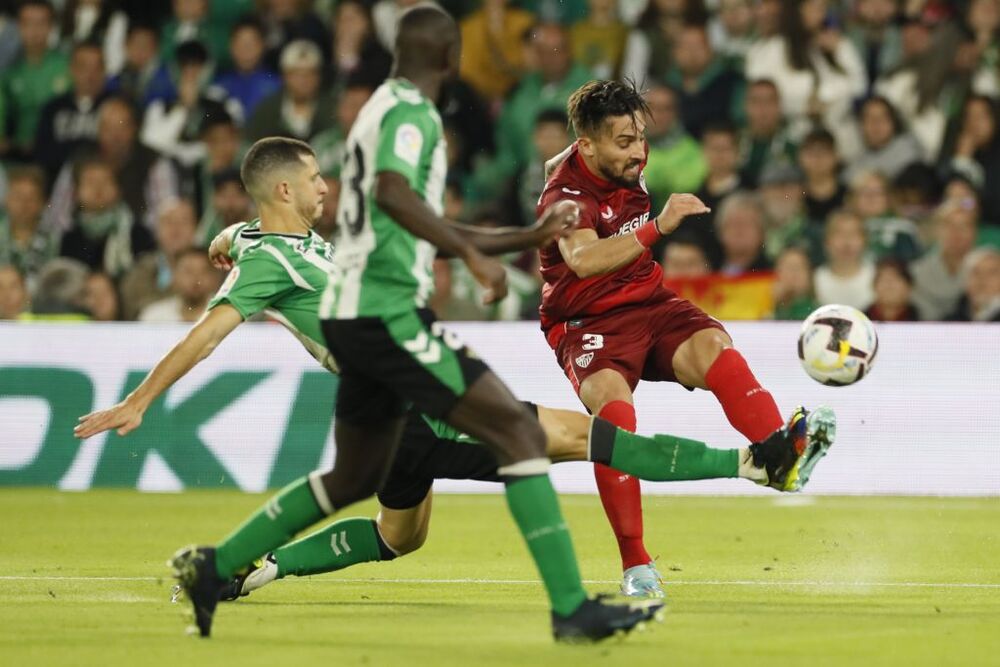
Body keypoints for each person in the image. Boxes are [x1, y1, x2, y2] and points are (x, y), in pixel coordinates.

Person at [76, 177, 830, 635]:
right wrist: (139, 399)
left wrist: (230, 237)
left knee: (400, 535)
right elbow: (210, 331)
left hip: (391, 406)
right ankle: (755, 463)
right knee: (582, 438)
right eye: (311, 178)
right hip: (416, 395)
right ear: (284, 191)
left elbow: (244, 239)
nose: (324, 187)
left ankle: (242, 569)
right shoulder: (273, 258)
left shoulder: (286, 245)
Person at [537, 79, 834, 598]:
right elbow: (582, 261)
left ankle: (779, 457)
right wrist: (659, 226)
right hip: (586, 324)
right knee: (614, 418)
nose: (637, 152)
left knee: (715, 349)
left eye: (640, 138)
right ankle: (636, 565)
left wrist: (602, 142)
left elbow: (557, 160)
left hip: (647, 302)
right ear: (588, 146)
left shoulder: (609, 154)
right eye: (624, 142)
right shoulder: (565, 198)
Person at [814, 210, 876, 310]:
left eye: (853, 234)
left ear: (865, 240)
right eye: (839, 234)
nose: (847, 242)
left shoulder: (876, 276)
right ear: (826, 241)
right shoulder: (814, 279)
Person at [865, 257, 921, 321]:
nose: (889, 285)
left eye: (896, 278)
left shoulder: (925, 322)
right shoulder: (859, 323)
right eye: (883, 278)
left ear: (909, 286)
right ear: (873, 286)